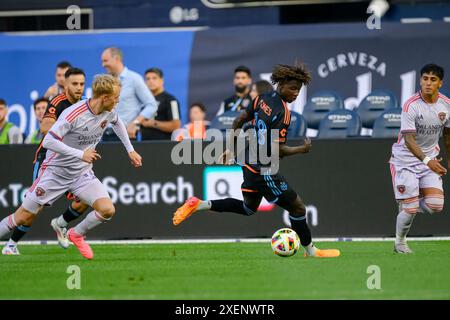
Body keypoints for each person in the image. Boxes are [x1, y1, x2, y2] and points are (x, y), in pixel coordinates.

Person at [173, 64, 340, 258]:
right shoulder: (283, 114)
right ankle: (311, 251)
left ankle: (199, 204)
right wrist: (301, 149)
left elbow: (239, 120)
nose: (295, 94)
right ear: (282, 84)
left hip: (248, 164)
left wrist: (230, 148)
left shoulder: (261, 99)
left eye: (299, 90)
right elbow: (278, 151)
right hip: (264, 169)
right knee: (298, 207)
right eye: (293, 88)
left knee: (248, 208)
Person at [0, 74, 142, 260]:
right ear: (105, 97)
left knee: (107, 209)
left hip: (81, 173)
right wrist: (81, 154)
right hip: (55, 172)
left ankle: (76, 234)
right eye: (116, 97)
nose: (118, 101)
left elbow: (117, 123)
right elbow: (49, 141)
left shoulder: (109, 110)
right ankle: (10, 245)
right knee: (22, 216)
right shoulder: (74, 114)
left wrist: (130, 150)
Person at [2, 68, 89, 255]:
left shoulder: (85, 104)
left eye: (82, 84)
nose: (79, 88)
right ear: (64, 85)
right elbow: (45, 127)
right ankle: (11, 244)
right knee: (32, 210)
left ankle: (61, 224)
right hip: (49, 161)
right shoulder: (57, 102)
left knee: (84, 201)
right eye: (75, 84)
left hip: (74, 162)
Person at [390, 63, 450, 254]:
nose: (428, 83)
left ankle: (408, 204)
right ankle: (400, 243)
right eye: (425, 78)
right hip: (405, 160)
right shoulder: (411, 105)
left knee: (435, 206)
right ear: (420, 80)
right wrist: (427, 161)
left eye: (433, 80)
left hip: (429, 159)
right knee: (411, 207)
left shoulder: (446, 105)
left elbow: (448, 136)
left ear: (440, 83)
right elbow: (409, 140)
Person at [101, 47, 157, 141]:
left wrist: (135, 123)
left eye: (106, 61)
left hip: (126, 135)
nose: (103, 65)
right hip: (105, 136)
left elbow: (151, 104)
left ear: (117, 59)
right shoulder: (104, 80)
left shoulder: (134, 78)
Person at [141, 68, 181, 140]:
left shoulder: (171, 100)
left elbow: (176, 125)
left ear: (162, 80)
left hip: (164, 145)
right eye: (148, 79)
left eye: (154, 78)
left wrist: (153, 123)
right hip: (144, 145)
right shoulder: (143, 100)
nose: (151, 81)